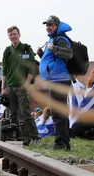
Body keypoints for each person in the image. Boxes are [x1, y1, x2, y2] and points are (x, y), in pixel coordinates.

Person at [37, 15, 73, 150]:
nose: (48, 27)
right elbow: (54, 60)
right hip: (55, 79)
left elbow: (68, 54)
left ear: (57, 26)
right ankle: (64, 141)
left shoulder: (61, 38)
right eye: (47, 25)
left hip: (60, 80)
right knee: (59, 112)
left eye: (50, 25)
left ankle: (61, 143)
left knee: (58, 113)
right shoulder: (53, 39)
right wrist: (42, 54)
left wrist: (53, 48)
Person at [1, 26, 40, 143]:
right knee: (12, 114)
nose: (13, 37)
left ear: (19, 35)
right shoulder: (7, 51)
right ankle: (17, 137)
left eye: (14, 34)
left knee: (25, 112)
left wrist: (27, 84)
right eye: (11, 35)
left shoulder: (26, 49)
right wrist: (3, 87)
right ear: (9, 37)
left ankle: (34, 137)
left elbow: (31, 68)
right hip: (10, 86)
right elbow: (4, 70)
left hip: (21, 86)